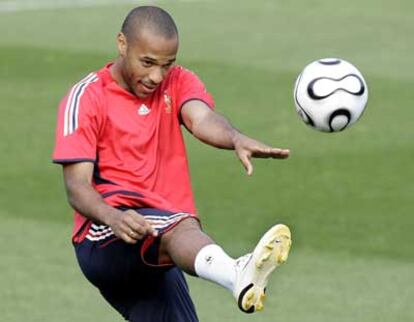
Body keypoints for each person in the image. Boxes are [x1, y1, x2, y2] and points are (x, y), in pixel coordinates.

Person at [53, 5, 292, 322]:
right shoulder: (87, 97)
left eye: (166, 65)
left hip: (158, 244)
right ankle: (236, 272)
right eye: (148, 63)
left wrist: (234, 137)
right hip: (105, 237)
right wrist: (113, 216)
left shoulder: (177, 82)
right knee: (180, 225)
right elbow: (76, 186)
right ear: (122, 44)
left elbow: (202, 118)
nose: (156, 76)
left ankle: (234, 272)